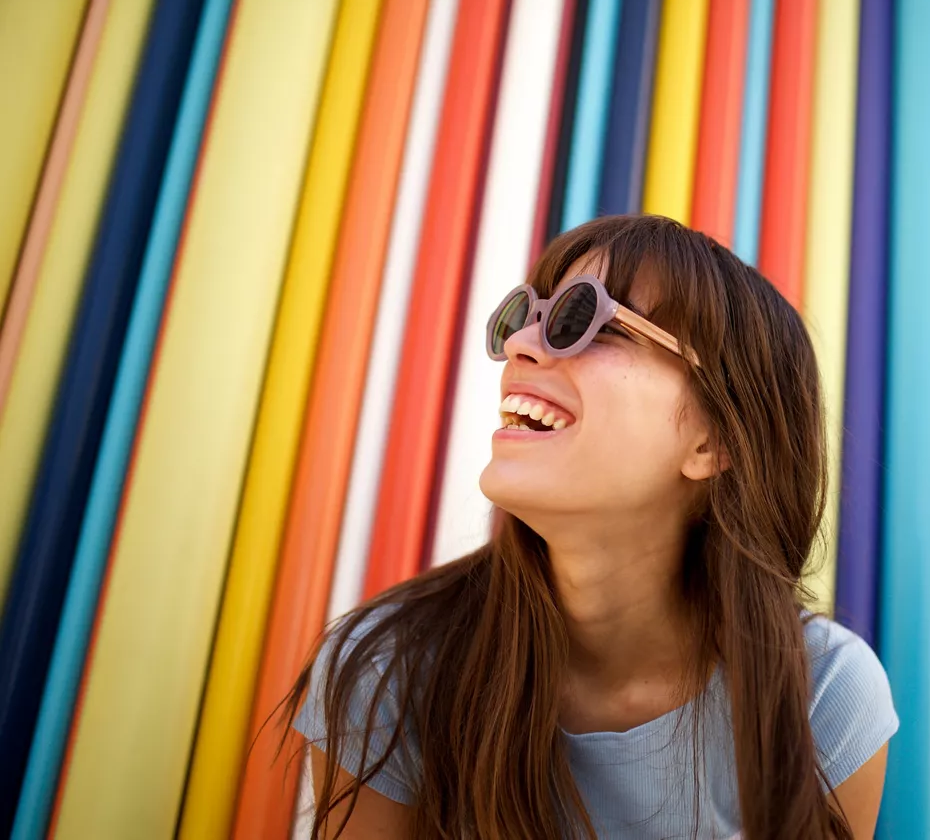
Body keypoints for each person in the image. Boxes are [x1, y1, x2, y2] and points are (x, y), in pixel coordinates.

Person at [286, 214, 898, 838]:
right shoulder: (391, 668)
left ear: (713, 441)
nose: (523, 345)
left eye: (585, 322)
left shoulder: (823, 697)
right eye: (525, 317)